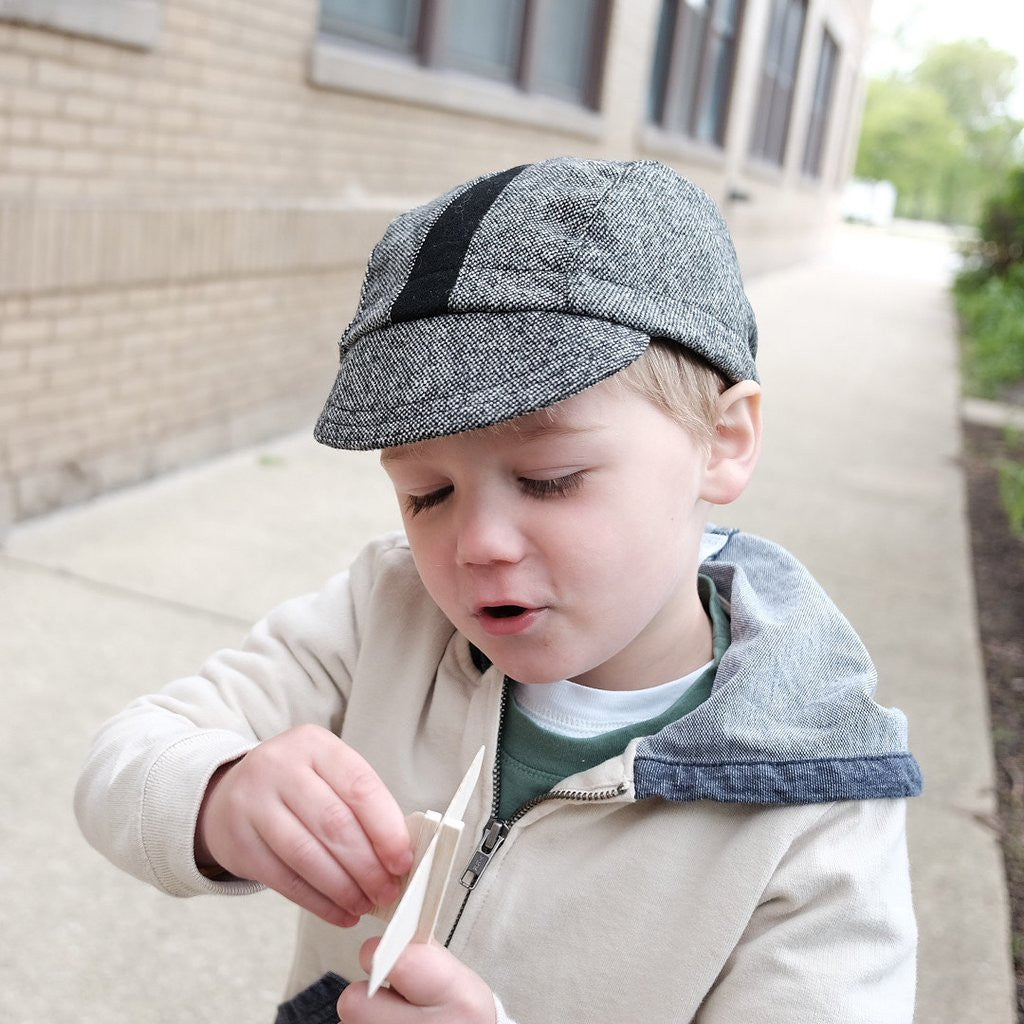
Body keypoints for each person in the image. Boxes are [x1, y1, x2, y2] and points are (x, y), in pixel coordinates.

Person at [75, 157, 922, 1024]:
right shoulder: (386, 615)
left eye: (551, 477)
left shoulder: (817, 800)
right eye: (426, 494)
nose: (476, 544)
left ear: (723, 440)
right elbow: (127, 755)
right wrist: (219, 793)